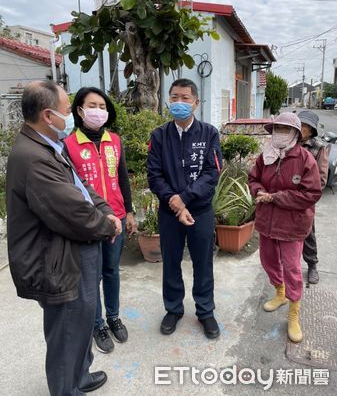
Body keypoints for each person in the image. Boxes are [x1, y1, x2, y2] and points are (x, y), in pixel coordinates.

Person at [6, 81, 122, 395]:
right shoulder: (34, 158)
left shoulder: (48, 144)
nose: (71, 115)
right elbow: (73, 214)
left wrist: (104, 208)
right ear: (47, 114)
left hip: (70, 252)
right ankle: (65, 389)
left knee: (81, 320)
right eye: (67, 109)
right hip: (56, 260)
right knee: (67, 331)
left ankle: (79, 376)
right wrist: (108, 226)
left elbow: (81, 185)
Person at [147, 78, 222, 339]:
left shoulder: (209, 133)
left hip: (200, 211)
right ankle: (173, 309)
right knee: (171, 262)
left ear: (196, 102)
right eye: (174, 97)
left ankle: (205, 311)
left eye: (185, 98)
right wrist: (174, 203)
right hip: (169, 213)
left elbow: (212, 172)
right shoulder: (159, 135)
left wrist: (185, 199)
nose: (179, 103)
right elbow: (154, 175)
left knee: (203, 263)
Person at [64, 87, 137, 354]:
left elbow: (123, 179)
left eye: (103, 106)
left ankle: (114, 317)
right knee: (90, 275)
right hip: (88, 221)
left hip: (116, 217)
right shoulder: (68, 145)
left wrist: (128, 212)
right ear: (80, 110)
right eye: (92, 105)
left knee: (111, 271)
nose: (99, 111)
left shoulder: (114, 141)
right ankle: (97, 324)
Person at [248, 112, 322, 343]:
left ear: (296, 134)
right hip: (267, 222)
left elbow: (312, 193)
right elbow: (253, 179)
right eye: (277, 128)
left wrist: (277, 197)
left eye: (285, 129)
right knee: (268, 261)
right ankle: (279, 293)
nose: (280, 133)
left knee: (291, 267)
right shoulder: (266, 156)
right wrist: (259, 191)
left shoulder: (305, 159)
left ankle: (293, 312)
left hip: (292, 225)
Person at [298, 111, 329, 284]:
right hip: (287, 197)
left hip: (305, 199)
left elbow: (321, 178)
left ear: (312, 130)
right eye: (300, 124)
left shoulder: (318, 146)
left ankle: (312, 265)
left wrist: (306, 197)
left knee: (308, 232)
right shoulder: (290, 142)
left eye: (306, 126)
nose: (302, 129)